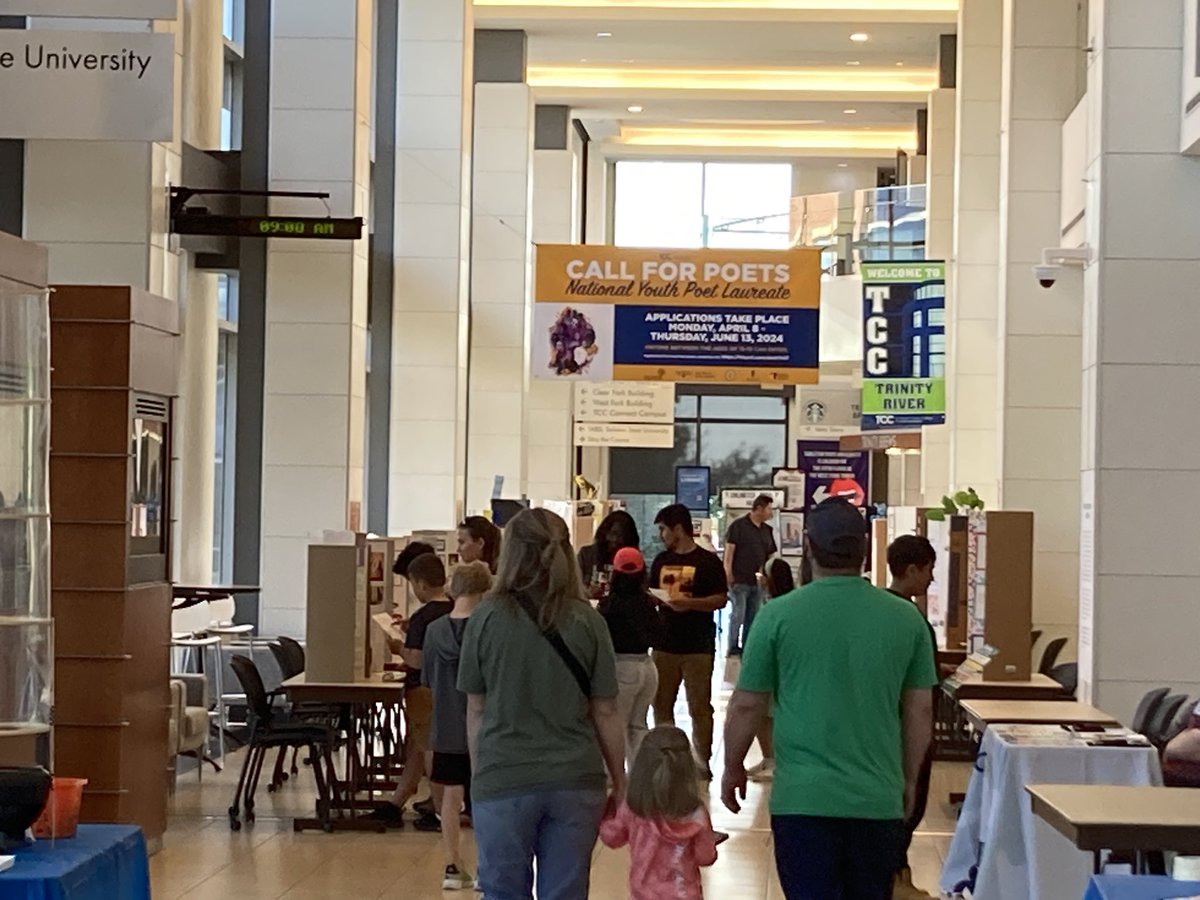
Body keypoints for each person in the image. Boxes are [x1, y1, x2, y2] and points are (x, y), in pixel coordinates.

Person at [721, 498, 938, 899]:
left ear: (808, 546)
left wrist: (733, 766)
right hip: (876, 800)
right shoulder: (907, 620)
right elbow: (919, 711)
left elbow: (747, 704)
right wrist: (909, 780)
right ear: (864, 550)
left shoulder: (777, 616)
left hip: (802, 802)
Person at [458, 507, 626, 900]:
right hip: (575, 778)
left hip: (504, 775)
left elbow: (476, 711)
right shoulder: (588, 621)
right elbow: (606, 710)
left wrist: (482, 773)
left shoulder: (484, 619)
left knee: (502, 891)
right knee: (566, 892)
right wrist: (620, 781)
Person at [423, 561, 492, 891]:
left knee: (450, 798)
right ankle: (485, 868)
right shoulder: (489, 627)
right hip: (485, 728)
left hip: (446, 725)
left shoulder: (434, 631)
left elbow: (426, 678)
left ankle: (453, 865)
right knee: (484, 798)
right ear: (485, 590)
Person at [372, 553, 453, 829]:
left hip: (422, 690)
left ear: (419, 584)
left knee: (428, 749)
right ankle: (397, 801)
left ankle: (442, 811)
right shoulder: (454, 609)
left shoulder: (423, 616)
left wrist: (398, 647)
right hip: (450, 690)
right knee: (417, 748)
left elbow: (417, 659)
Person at [650, 503, 729, 781]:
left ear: (678, 529)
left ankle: (701, 759)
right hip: (664, 643)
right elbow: (652, 593)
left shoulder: (708, 562)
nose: (661, 535)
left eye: (663, 529)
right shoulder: (661, 561)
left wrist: (690, 604)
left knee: (699, 705)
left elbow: (720, 598)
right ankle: (667, 758)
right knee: (661, 703)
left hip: (698, 645)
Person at [599, 725, 722, 900]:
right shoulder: (696, 813)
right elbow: (706, 857)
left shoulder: (633, 808)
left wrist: (608, 807)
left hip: (642, 895)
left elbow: (611, 837)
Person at [886, 534, 941, 900]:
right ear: (911, 570)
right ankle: (893, 880)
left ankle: (898, 875)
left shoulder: (886, 614)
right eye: (929, 571)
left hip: (890, 729)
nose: (931, 580)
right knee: (908, 806)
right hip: (906, 733)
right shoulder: (909, 619)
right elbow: (919, 699)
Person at [599, 546, 664, 768]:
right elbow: (657, 635)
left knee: (617, 724)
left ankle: (613, 776)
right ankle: (640, 776)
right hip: (647, 667)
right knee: (638, 725)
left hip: (621, 667)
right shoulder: (648, 602)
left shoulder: (609, 604)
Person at [745, 557, 797, 784]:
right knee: (763, 716)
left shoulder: (784, 607)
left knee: (774, 715)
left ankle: (778, 761)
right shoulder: (766, 603)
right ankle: (768, 757)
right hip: (769, 669)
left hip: (781, 670)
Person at [724, 494, 777, 656]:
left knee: (752, 615)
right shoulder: (738, 526)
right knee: (738, 614)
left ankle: (747, 646)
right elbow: (729, 553)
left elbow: (771, 554)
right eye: (769, 508)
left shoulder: (767, 530)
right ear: (759, 508)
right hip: (739, 579)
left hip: (757, 581)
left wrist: (768, 575)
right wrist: (728, 573)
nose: (771, 512)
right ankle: (733, 646)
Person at [578, 509, 640, 597]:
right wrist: (588, 592)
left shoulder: (632, 559)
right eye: (613, 533)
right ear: (604, 532)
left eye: (622, 536)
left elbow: (640, 589)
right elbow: (574, 586)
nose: (616, 540)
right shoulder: (586, 554)